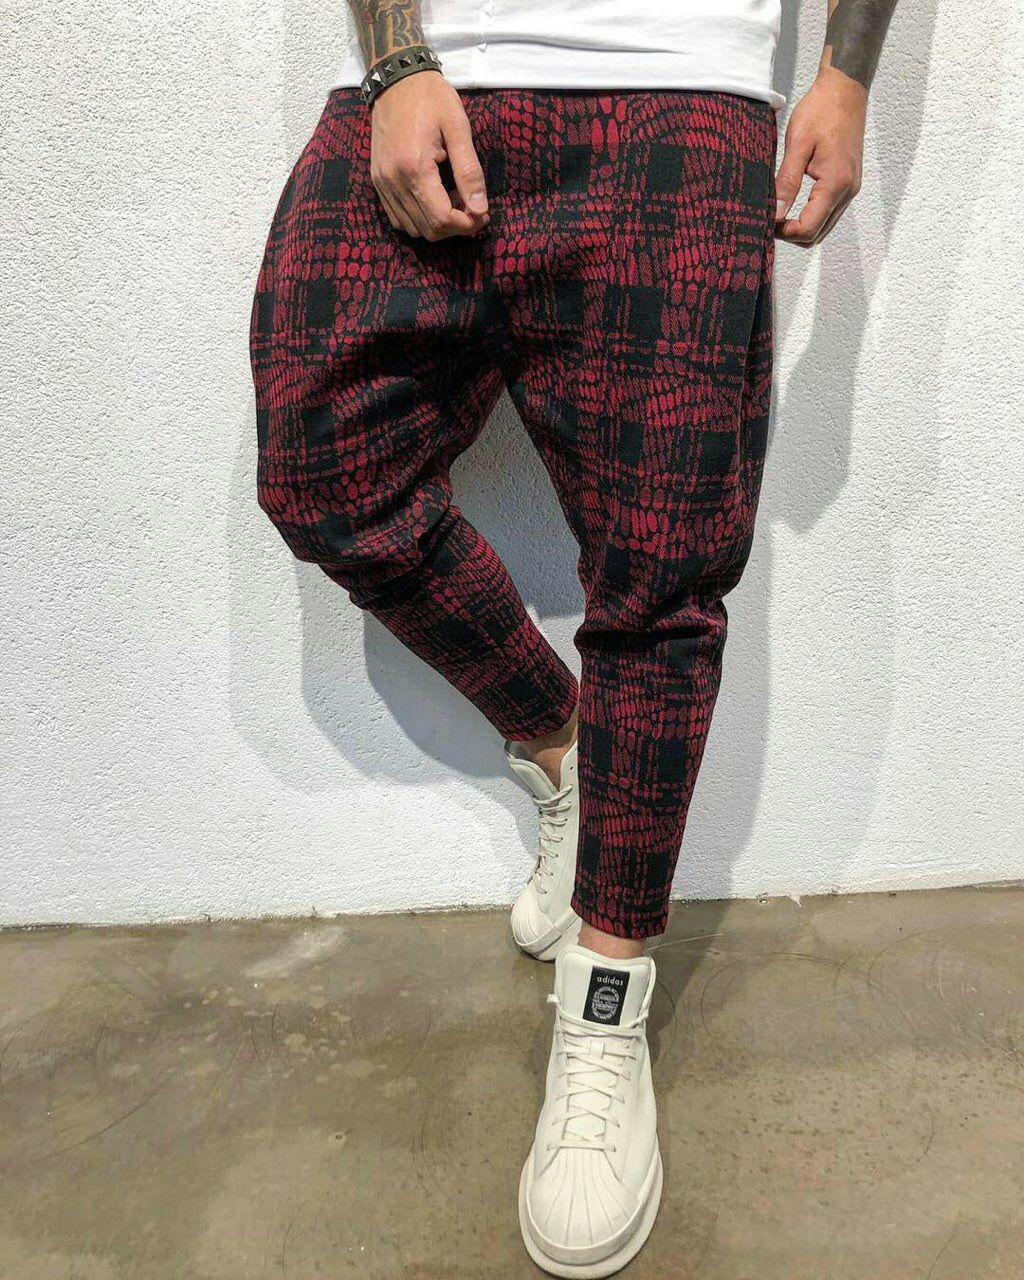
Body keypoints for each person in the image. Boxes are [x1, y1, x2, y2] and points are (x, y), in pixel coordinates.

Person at [249, 0, 899, 1272]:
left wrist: (844, 77)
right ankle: (564, 747)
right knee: (323, 474)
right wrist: (395, 60)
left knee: (661, 575)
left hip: (684, 100)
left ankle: (603, 1009)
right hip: (433, 85)